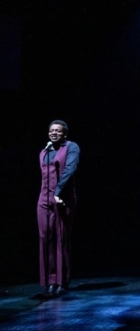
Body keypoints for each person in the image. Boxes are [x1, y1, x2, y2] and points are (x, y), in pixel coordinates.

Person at [37, 120, 80, 298]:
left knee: (61, 238)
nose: (54, 133)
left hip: (63, 197)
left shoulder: (71, 147)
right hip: (44, 199)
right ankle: (49, 281)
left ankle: (61, 281)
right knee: (45, 238)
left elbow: (70, 169)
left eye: (58, 131)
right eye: (51, 130)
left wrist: (58, 191)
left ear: (65, 134)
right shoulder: (44, 151)